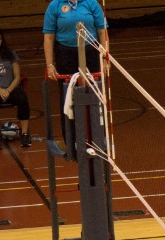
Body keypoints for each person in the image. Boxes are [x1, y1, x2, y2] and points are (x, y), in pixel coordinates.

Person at [42, 0, 107, 138]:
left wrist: (105, 58)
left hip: (90, 51)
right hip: (65, 54)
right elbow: (48, 37)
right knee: (68, 97)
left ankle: (97, 138)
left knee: (95, 94)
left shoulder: (91, 3)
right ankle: (71, 141)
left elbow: (102, 32)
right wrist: (49, 65)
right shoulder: (55, 5)